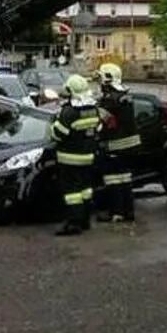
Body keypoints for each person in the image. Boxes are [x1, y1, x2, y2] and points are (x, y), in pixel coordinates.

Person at [48, 74, 102, 235]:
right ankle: (85, 220)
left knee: (72, 193)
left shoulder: (69, 112)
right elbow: (98, 129)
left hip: (70, 159)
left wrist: (54, 122)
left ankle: (73, 223)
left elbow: (58, 134)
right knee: (85, 189)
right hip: (89, 157)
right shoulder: (93, 109)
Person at [94, 62, 141, 223]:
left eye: (100, 78)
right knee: (125, 179)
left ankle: (115, 213)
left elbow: (98, 120)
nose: (99, 82)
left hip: (116, 145)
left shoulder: (109, 99)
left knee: (112, 179)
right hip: (131, 146)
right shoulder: (125, 96)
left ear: (107, 79)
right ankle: (128, 212)